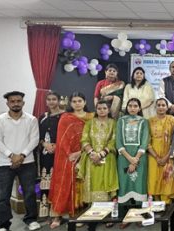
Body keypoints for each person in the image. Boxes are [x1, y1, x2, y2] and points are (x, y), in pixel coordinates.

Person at [0, 91, 41, 231]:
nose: (16, 103)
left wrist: (22, 155)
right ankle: (3, 224)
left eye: (19, 101)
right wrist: (12, 155)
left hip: (27, 162)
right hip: (5, 163)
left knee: (29, 193)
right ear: (7, 103)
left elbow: (34, 139)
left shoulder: (31, 119)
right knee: (3, 196)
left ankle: (30, 219)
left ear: (23, 103)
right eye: (12, 101)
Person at [48, 92, 94, 229]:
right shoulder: (65, 117)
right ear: (70, 103)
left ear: (85, 102)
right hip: (67, 157)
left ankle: (80, 214)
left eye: (80, 100)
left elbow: (95, 136)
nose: (77, 103)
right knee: (63, 182)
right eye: (74, 101)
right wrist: (70, 154)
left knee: (82, 184)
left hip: (87, 154)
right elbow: (61, 139)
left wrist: (82, 153)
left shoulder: (91, 117)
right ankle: (58, 215)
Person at [77, 100, 118, 203]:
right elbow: (84, 139)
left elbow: (114, 140)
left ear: (108, 110)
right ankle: (92, 213)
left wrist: (101, 154)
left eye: (104, 108)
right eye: (99, 108)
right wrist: (92, 153)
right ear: (96, 110)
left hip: (107, 157)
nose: (102, 110)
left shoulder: (113, 123)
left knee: (104, 182)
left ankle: (106, 213)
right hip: (91, 158)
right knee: (93, 182)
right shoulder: (89, 123)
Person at [116, 99, 150, 208]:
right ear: (126, 107)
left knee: (139, 184)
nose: (132, 108)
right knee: (124, 184)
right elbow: (118, 141)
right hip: (123, 158)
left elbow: (144, 141)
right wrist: (130, 159)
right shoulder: (121, 121)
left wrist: (135, 160)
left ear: (139, 108)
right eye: (130, 106)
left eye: (135, 106)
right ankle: (123, 216)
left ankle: (140, 215)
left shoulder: (144, 121)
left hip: (140, 158)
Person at [147, 98, 174, 204]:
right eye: (159, 105)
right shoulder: (149, 121)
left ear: (167, 107)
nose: (161, 107)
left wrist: (166, 156)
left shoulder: (172, 120)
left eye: (163, 105)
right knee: (153, 180)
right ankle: (156, 207)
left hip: (168, 155)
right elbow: (146, 141)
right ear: (155, 107)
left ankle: (167, 207)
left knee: (167, 181)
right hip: (153, 155)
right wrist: (156, 157)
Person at [37, 91, 63, 215]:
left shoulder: (65, 116)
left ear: (58, 100)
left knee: (60, 182)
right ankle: (45, 210)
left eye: (54, 99)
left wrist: (58, 145)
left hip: (61, 154)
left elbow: (68, 135)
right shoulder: (42, 117)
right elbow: (38, 136)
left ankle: (57, 211)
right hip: (46, 154)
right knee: (46, 181)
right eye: (49, 99)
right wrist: (44, 144)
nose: (51, 102)